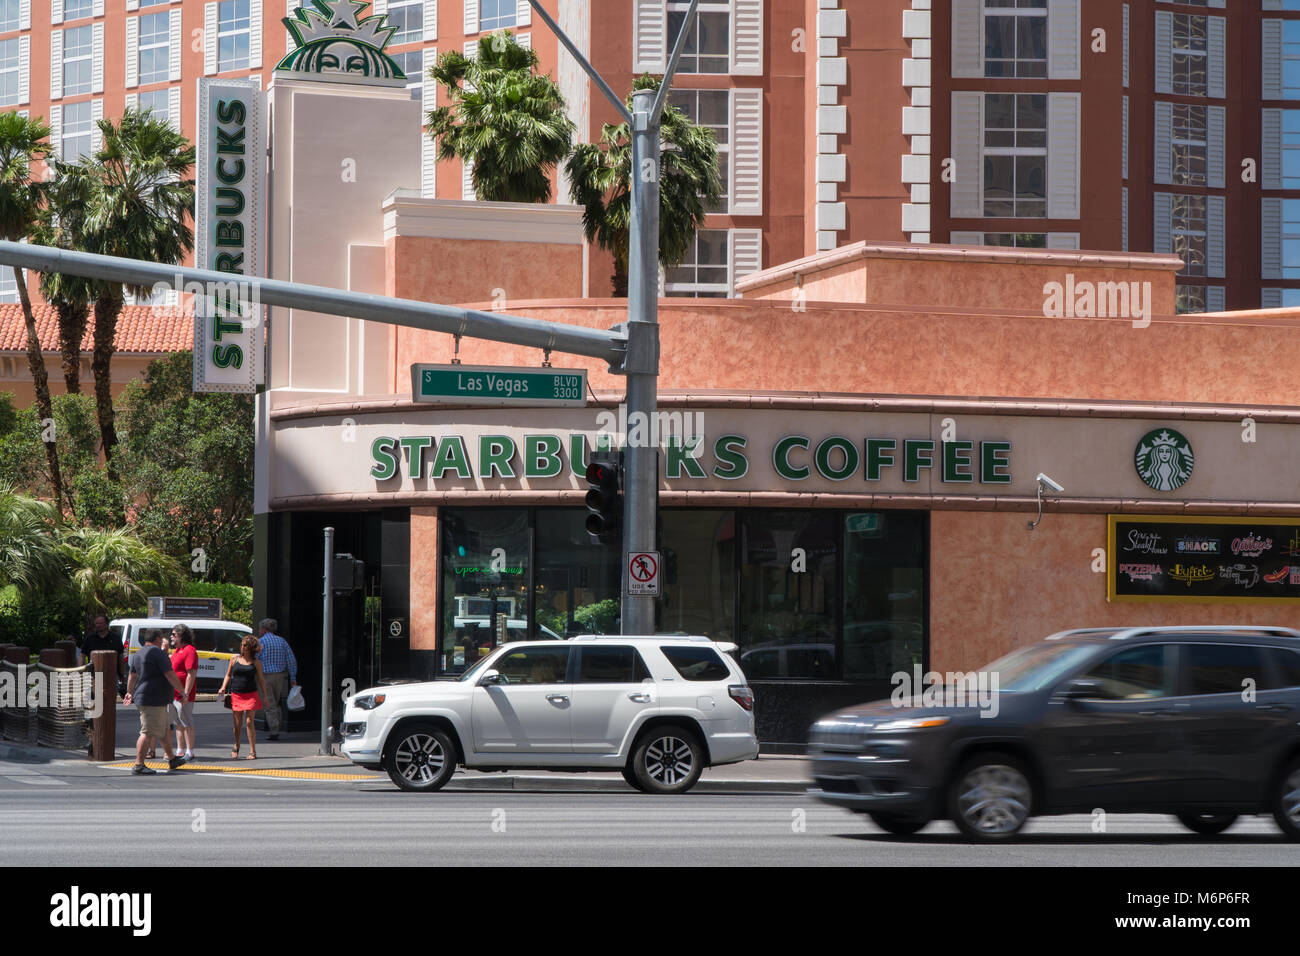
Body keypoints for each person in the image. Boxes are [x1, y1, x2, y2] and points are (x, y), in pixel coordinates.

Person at [123, 630, 186, 775]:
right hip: (153, 699)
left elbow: (132, 675)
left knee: (163, 730)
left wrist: (129, 692)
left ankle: (172, 759)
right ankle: (138, 764)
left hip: (148, 697)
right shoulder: (158, 653)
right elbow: (170, 674)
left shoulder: (138, 653)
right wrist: (182, 691)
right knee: (147, 732)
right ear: (158, 639)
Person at [218, 636, 268, 759]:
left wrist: (265, 696)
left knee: (250, 722)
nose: (242, 647)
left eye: (245, 645)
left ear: (250, 648)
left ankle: (252, 751)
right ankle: (236, 745)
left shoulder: (256, 663)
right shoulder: (234, 659)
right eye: (241, 645)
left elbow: (261, 680)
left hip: (251, 694)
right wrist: (223, 687)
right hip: (237, 694)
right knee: (237, 723)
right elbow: (228, 675)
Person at [255, 619, 298, 740]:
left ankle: (274, 731)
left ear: (264, 629)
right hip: (281, 676)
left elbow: (255, 659)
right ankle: (277, 726)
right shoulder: (282, 641)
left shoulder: (260, 642)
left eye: (260, 629)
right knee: (277, 702)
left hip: (265, 677)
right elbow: (291, 660)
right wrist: (293, 677)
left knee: (269, 704)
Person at [168, 624, 199, 762]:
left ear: (182, 636)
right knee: (177, 722)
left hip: (182, 695)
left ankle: (190, 751)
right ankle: (180, 750)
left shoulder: (189, 650)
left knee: (186, 722)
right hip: (173, 694)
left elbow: (191, 673)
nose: (171, 637)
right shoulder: (177, 651)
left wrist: (185, 693)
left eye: (174, 634)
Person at [80, 615, 121, 692]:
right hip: (94, 675)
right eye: (96, 623)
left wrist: (121, 674)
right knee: (96, 699)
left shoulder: (115, 638)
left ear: (106, 624)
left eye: (100, 623)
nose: (98, 625)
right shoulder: (90, 638)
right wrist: (83, 671)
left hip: (111, 674)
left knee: (109, 699)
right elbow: (82, 655)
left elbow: (120, 657)